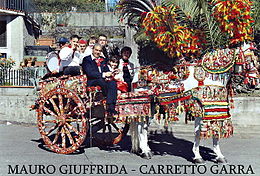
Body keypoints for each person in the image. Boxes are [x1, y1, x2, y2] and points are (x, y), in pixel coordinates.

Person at [82, 43, 118, 115]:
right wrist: (103, 74)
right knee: (101, 81)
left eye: (99, 51)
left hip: (103, 80)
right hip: (92, 80)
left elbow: (106, 69)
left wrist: (111, 73)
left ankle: (111, 106)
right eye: (96, 50)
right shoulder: (86, 59)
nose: (97, 52)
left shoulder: (103, 60)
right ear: (93, 50)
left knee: (113, 83)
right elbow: (90, 73)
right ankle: (106, 97)